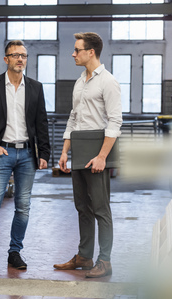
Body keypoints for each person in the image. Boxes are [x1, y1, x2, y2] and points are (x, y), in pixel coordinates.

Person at [0, 40, 50, 272]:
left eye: (24, 56)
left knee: (23, 206)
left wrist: (44, 153)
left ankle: (14, 252)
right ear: (6, 59)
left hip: (27, 154)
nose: (20, 59)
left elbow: (41, 122)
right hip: (2, 152)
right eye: (15, 55)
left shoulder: (35, 87)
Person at [53, 32, 123, 278]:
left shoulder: (108, 81)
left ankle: (105, 260)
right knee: (82, 206)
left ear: (90, 51)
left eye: (77, 50)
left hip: (97, 149)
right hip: (79, 148)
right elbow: (74, 117)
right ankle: (84, 256)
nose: (73, 53)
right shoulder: (80, 82)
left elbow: (115, 122)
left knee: (101, 208)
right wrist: (64, 150)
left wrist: (102, 156)